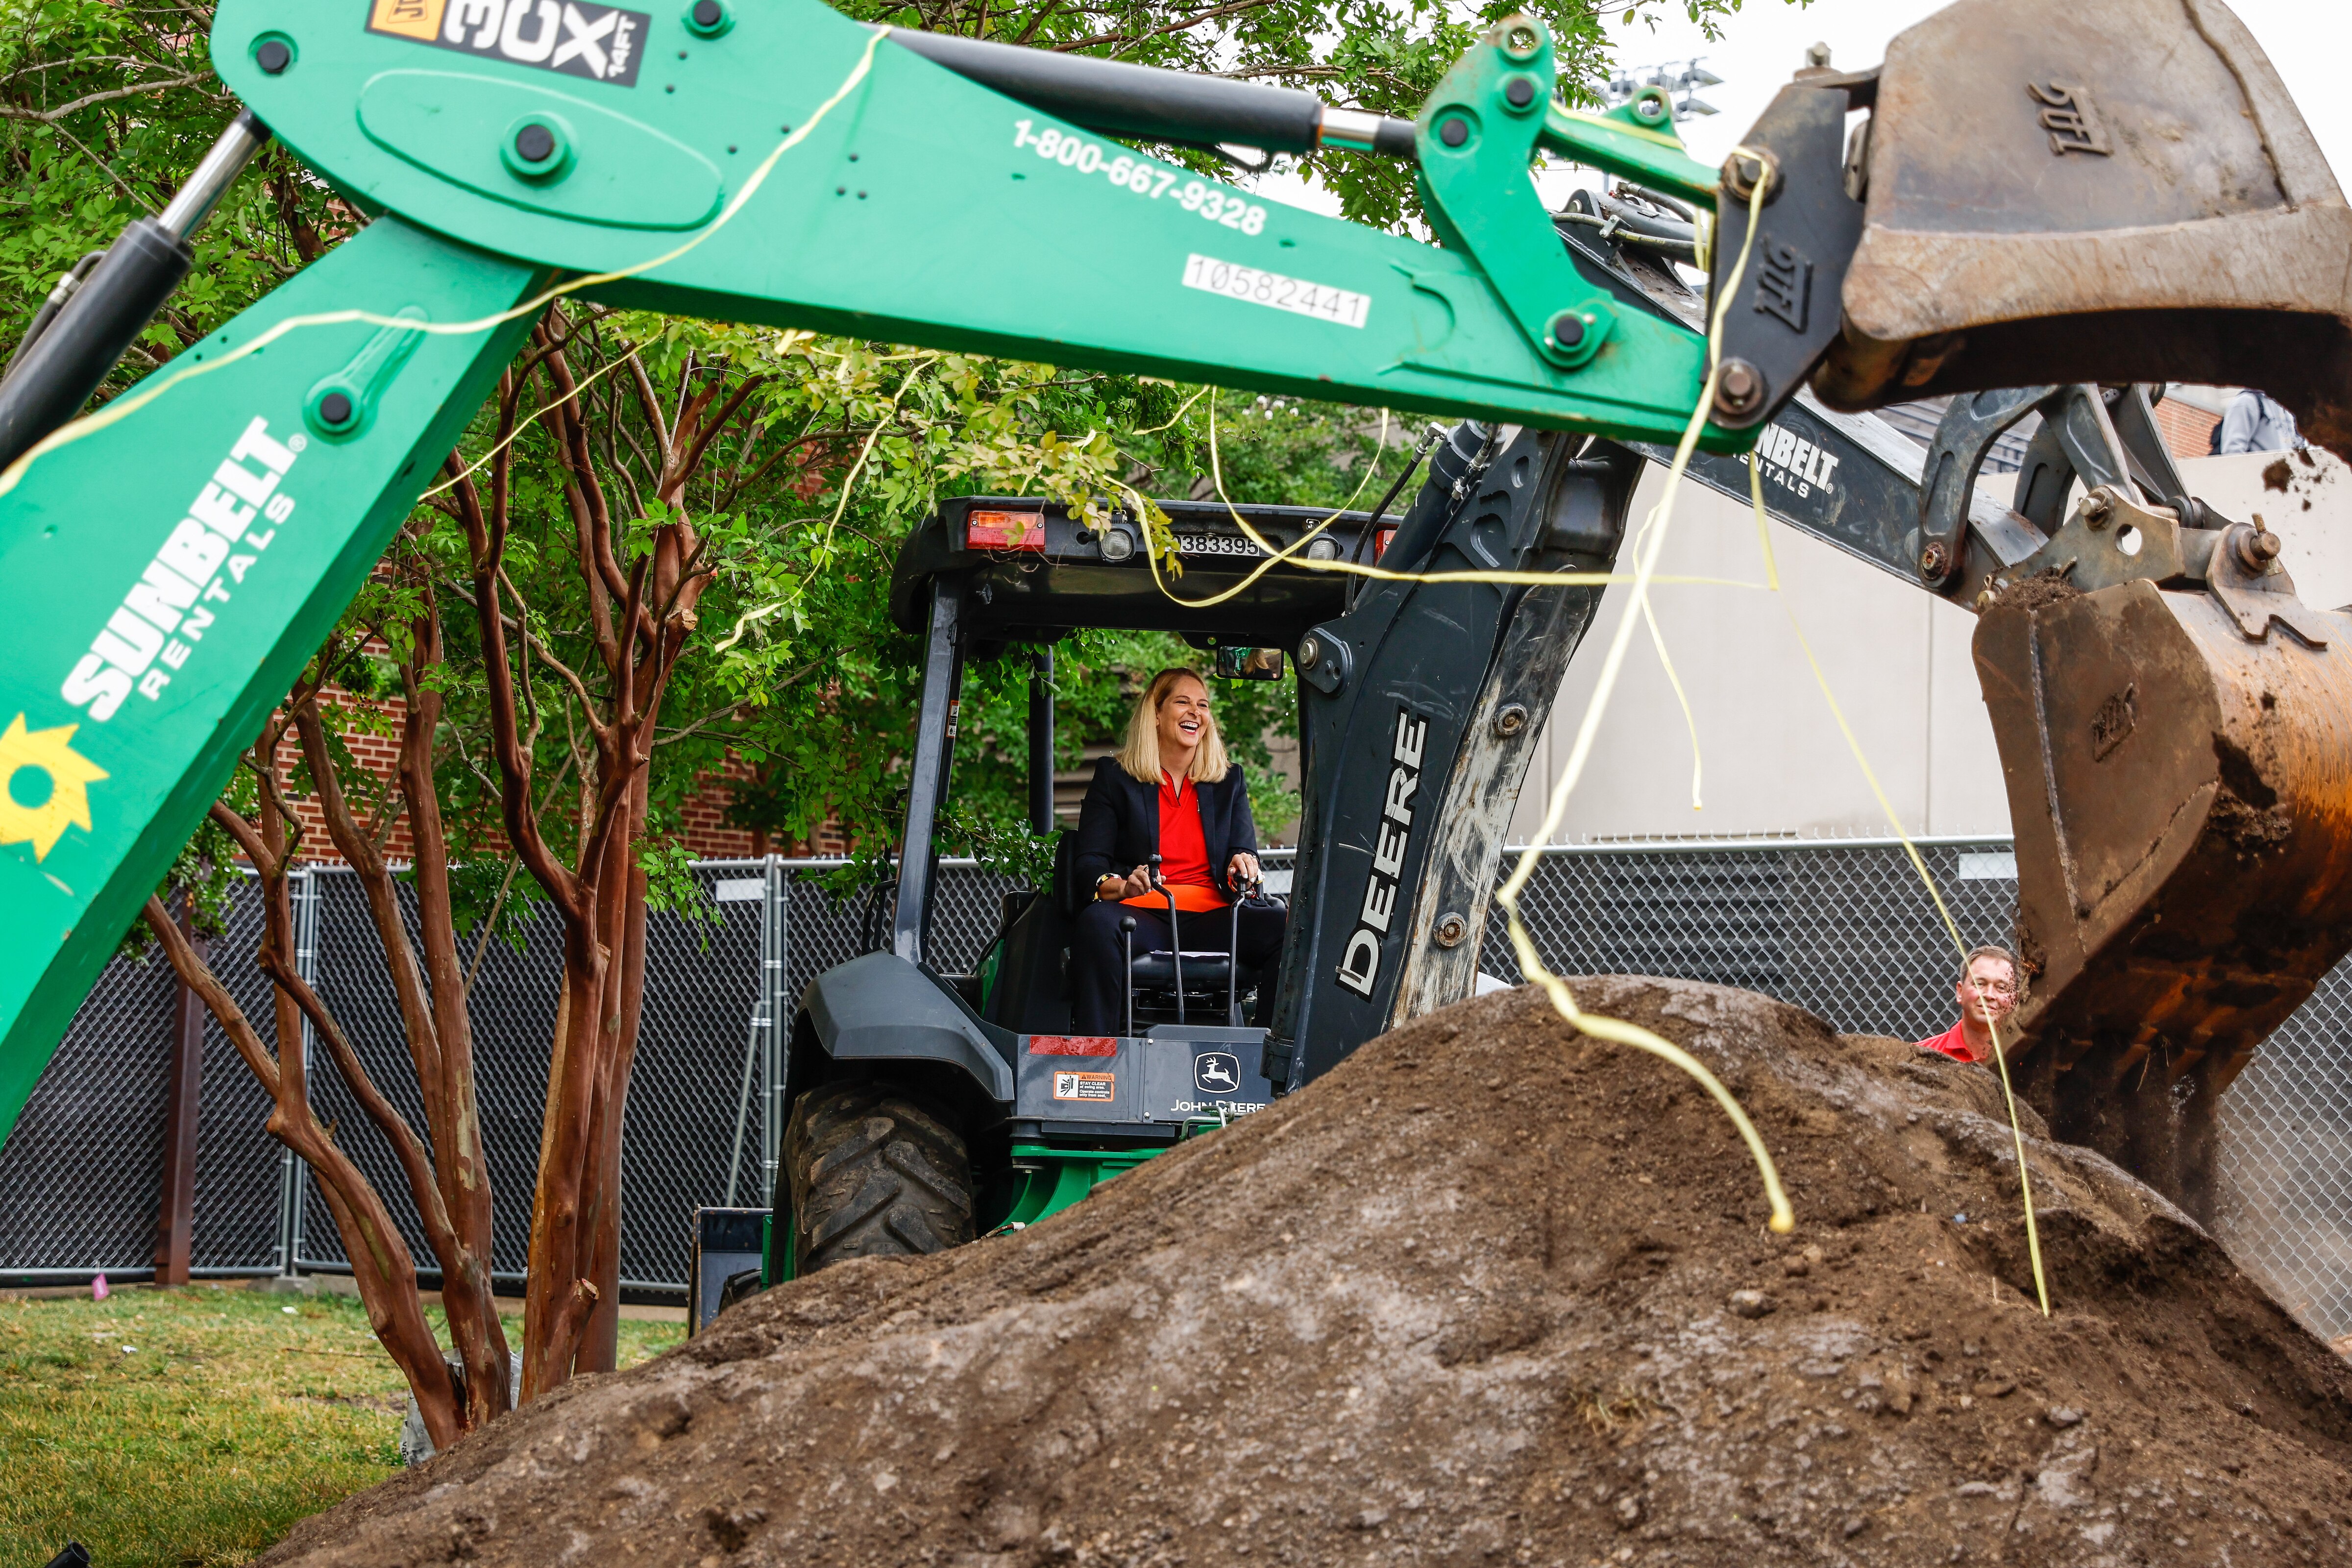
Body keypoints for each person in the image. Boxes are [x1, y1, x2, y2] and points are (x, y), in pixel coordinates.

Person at [1070, 668, 1286, 1034]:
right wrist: (1123, 887)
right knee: (1096, 925)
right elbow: (1089, 863)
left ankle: (1270, 1061)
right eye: (1183, 702)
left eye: (1202, 705)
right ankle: (1100, 1061)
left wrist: (1242, 864)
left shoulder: (1228, 781)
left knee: (1286, 928)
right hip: (1144, 915)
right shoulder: (1115, 777)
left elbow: (1243, 851)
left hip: (1215, 916)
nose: (1195, 712)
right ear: (1155, 714)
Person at [1916, 945, 2020, 1065]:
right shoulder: (1920, 1057)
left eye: (2001, 988)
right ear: (1960, 992)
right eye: (1980, 984)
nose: (1989, 995)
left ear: (2015, 1000)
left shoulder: (2029, 1061)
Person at [2220, 388, 2303, 455]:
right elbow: (2233, 452)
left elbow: (2298, 445)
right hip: (2257, 473)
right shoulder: (2246, 402)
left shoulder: (2285, 406)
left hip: (2285, 473)